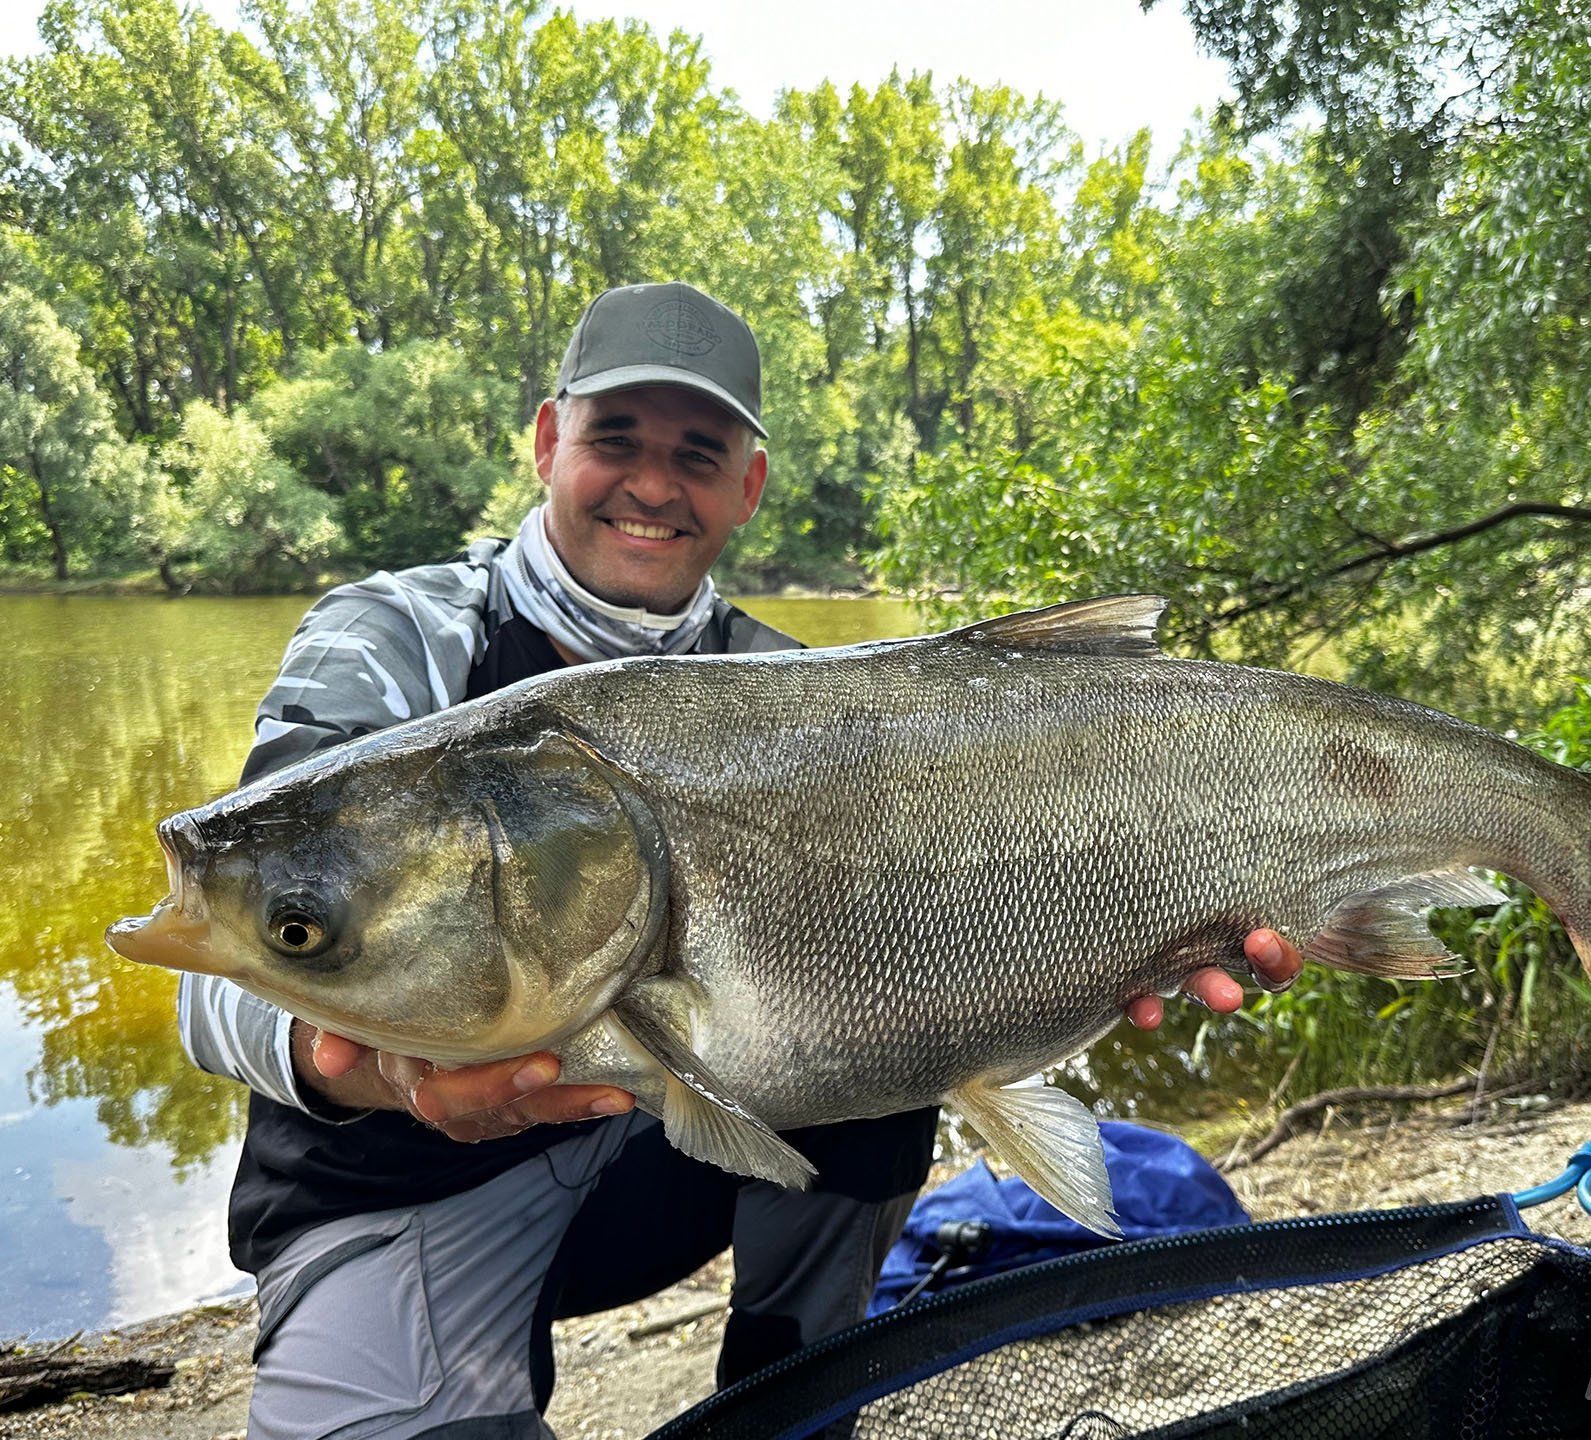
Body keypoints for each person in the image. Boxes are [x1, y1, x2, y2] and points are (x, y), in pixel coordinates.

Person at [177, 280, 1305, 1440]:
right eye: (617, 438)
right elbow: (213, 977)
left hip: (668, 1145)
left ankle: (790, 1403)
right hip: (397, 1176)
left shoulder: (789, 687)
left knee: (886, 1045)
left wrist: (1121, 930)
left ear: (749, 486)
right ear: (548, 439)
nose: (655, 484)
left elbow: (953, 903)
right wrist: (363, 1067)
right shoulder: (395, 636)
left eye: (699, 453)